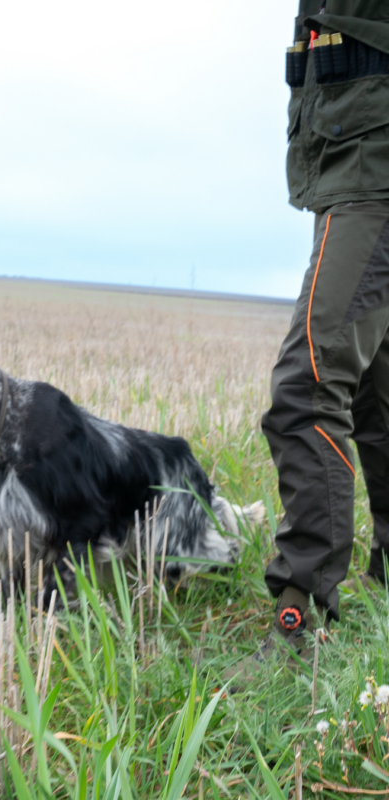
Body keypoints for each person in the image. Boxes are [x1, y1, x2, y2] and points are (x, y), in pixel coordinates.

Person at [234, 1, 389, 677]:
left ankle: (302, 613)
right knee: (375, 395)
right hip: (347, 156)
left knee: (309, 384)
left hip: (373, 166)